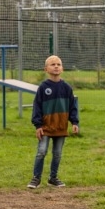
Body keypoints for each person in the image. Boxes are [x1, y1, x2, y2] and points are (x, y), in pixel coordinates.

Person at [27, 55, 79, 189]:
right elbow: (37, 106)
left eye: (58, 64)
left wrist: (74, 122)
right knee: (42, 151)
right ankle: (36, 178)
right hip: (46, 127)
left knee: (57, 154)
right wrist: (38, 125)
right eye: (53, 64)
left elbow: (73, 106)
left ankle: (53, 178)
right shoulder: (43, 87)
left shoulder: (67, 88)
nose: (56, 66)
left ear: (62, 68)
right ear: (46, 69)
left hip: (61, 126)